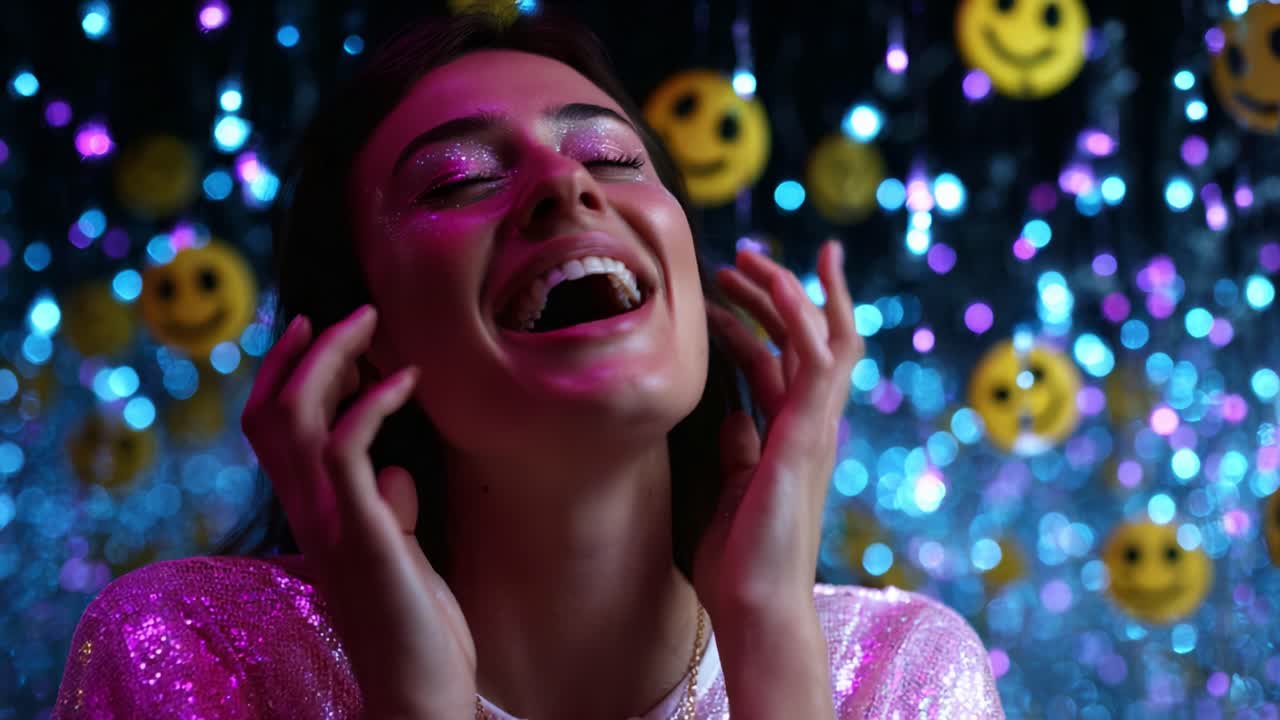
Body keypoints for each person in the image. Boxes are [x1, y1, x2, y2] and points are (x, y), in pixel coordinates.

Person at [53, 10, 1004, 720]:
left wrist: (773, 646)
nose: (565, 184)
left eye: (612, 156)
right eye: (460, 179)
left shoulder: (900, 671)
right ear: (360, 335)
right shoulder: (196, 649)